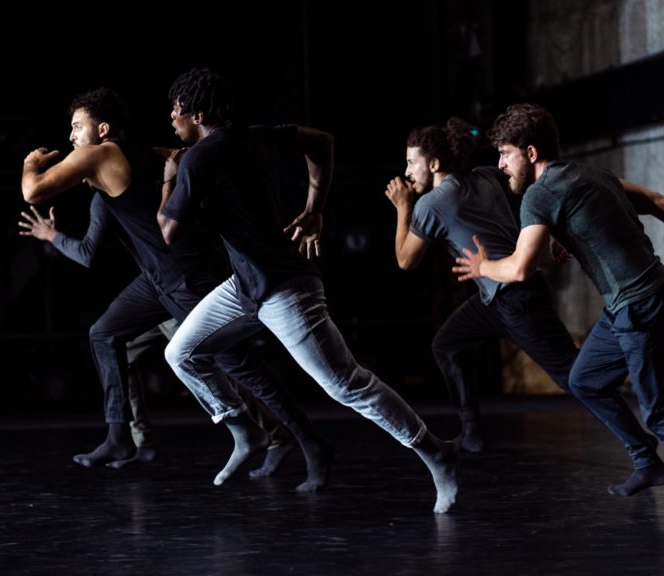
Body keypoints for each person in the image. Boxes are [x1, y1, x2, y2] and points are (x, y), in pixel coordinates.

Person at [158, 68, 458, 513]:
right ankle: (246, 430)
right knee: (181, 353)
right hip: (245, 286)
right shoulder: (257, 136)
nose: (171, 119)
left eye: (176, 111)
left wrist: (170, 172)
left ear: (196, 114)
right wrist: (314, 208)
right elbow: (322, 142)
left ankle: (437, 452)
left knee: (346, 384)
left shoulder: (197, 158)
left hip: (284, 289)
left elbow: (167, 231)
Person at [454, 103, 664, 513]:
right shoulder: (590, 175)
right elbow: (657, 201)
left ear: (530, 153)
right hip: (641, 301)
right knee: (584, 379)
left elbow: (519, 269)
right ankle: (646, 462)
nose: (500, 165)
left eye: (505, 153)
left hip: (640, 307)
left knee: (663, 414)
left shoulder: (538, 195)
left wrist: (482, 266)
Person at [21, 87, 331, 487]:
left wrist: (30, 164)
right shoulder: (139, 157)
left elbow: (33, 190)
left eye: (77, 127)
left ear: (102, 128)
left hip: (189, 277)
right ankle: (119, 436)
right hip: (157, 281)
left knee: (240, 365)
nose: (71, 137)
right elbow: (94, 246)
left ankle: (306, 442)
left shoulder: (100, 153)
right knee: (104, 332)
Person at [18, 195, 297, 472]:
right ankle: (141, 440)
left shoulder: (113, 191)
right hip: (152, 293)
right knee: (122, 354)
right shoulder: (114, 192)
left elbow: (87, 252)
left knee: (220, 363)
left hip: (172, 289)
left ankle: (276, 436)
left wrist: (51, 235)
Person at [384, 117, 579, 453]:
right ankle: (472, 433)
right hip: (496, 299)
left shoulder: (430, 205)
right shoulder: (487, 175)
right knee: (447, 345)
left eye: (411, 162)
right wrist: (550, 237)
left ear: (434, 164)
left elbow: (405, 260)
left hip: (515, 298)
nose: (407, 171)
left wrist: (403, 208)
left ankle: (641, 422)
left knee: (574, 378)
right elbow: (529, 195)